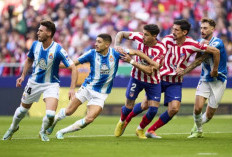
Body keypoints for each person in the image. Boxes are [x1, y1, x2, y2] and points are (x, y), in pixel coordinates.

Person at [124, 19, 220, 139]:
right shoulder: (167, 40)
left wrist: (214, 70)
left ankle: (148, 130)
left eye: (176, 30)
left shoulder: (192, 44)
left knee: (174, 108)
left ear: (184, 32)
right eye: (172, 29)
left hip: (175, 81)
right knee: (145, 105)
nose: (172, 32)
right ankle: (125, 121)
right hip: (160, 78)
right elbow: (156, 50)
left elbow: (215, 51)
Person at [2, 20, 77, 141]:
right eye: (38, 30)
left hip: (51, 84)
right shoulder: (35, 45)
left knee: (51, 115)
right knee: (22, 111)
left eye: (41, 31)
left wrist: (72, 88)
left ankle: (42, 132)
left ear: (49, 33)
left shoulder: (58, 50)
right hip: (34, 83)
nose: (37, 33)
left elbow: (73, 67)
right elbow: (29, 60)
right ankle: (13, 128)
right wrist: (22, 75)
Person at [176, 18, 227, 138]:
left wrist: (214, 70)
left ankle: (196, 126)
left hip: (219, 80)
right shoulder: (199, 41)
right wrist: (200, 46)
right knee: (197, 108)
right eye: (201, 28)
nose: (202, 30)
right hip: (205, 78)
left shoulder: (217, 42)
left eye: (205, 28)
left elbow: (202, 58)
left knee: (209, 115)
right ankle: (198, 130)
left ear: (212, 29)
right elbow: (196, 58)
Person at [114, 24, 166, 139]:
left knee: (153, 110)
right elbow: (120, 33)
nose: (143, 37)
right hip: (136, 78)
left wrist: (132, 61)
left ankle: (140, 129)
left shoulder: (161, 49)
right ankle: (122, 121)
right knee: (128, 107)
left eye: (146, 35)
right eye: (143, 33)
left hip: (153, 81)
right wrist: (117, 45)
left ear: (155, 36)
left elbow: (150, 71)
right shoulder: (139, 37)